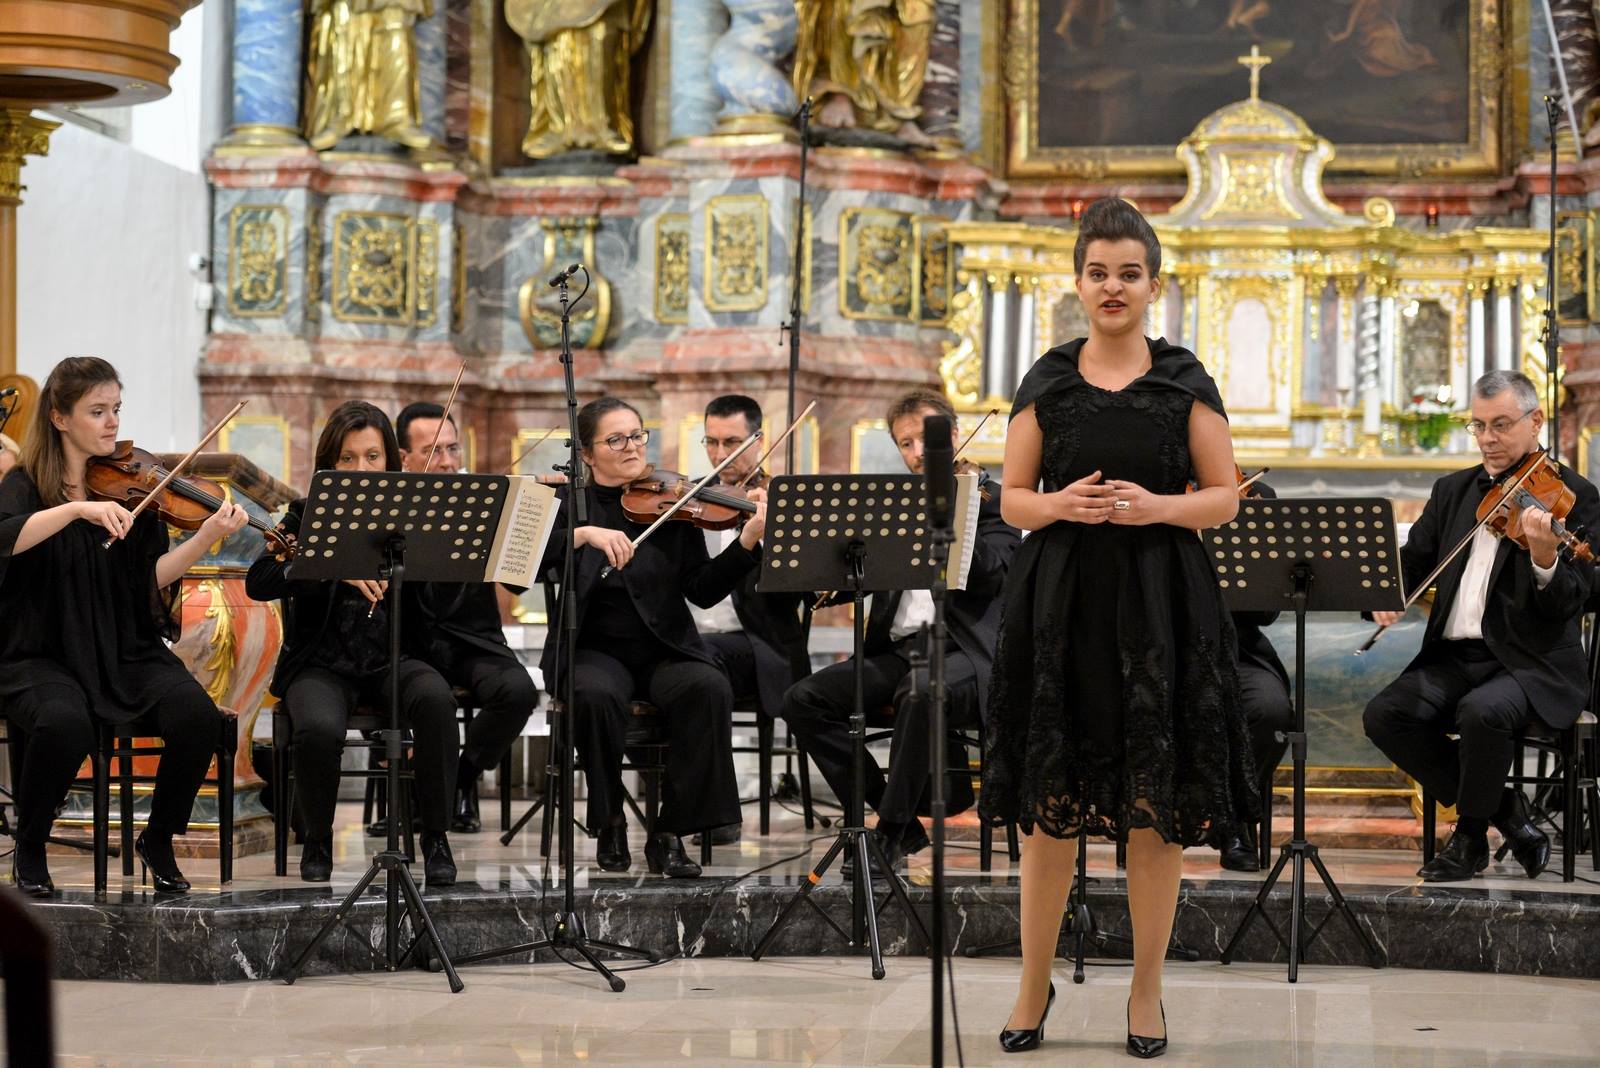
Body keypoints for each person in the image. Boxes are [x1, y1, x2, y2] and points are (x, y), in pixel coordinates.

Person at [981, 198, 1257, 1056]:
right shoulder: (1049, 379)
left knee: (1152, 807)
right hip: (1060, 604)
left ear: (1154, 284)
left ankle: (1146, 991)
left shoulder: (1183, 379)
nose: (1112, 286)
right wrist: (1059, 504)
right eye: (1097, 272)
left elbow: (1225, 495)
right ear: (1077, 282)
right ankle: (1034, 986)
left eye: (1128, 273)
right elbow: (1011, 495)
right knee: (1047, 812)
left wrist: (1157, 509)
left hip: (1160, 602)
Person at [0, 357, 248, 896]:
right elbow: (6, 538)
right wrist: (74, 512)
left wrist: (205, 536)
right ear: (60, 419)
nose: (112, 422)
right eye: (97, 411)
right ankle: (33, 842)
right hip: (42, 652)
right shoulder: (25, 486)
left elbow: (146, 582)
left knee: (196, 717)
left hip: (121, 647)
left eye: (116, 408)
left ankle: (157, 839)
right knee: (63, 723)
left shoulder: (127, 486)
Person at [1363, 370, 1598, 883]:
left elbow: (1580, 598)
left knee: (1481, 713)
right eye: (1478, 426)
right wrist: (1384, 593)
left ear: (1536, 421)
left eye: (1501, 424)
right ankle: (1509, 813)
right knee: (1385, 715)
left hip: (1529, 662)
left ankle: (1469, 838)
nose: (1488, 438)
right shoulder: (1453, 491)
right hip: (1455, 659)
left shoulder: (1575, 496)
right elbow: (1413, 558)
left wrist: (1544, 559)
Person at [782, 388, 1019, 875]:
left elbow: (995, 574)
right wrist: (833, 584)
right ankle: (901, 819)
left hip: (965, 652)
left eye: (925, 442)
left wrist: (953, 516)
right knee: (803, 700)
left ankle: (888, 835)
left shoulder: (993, 501)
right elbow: (873, 571)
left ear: (953, 435)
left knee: (921, 689)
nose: (915, 454)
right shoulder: (895, 502)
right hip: (899, 649)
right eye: (905, 444)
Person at [539, 397, 764, 878]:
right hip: (591, 649)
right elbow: (525, 566)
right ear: (585, 454)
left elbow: (701, 591)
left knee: (708, 687)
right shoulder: (566, 504)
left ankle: (670, 832)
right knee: (594, 695)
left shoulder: (675, 500)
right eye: (615, 439)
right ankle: (610, 821)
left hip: (665, 648)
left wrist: (747, 543)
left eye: (638, 435)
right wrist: (581, 536)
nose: (632, 447)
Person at [246, 401, 460, 885]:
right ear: (329, 462)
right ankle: (317, 839)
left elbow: (434, 604)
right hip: (320, 664)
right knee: (319, 728)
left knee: (436, 703)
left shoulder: (412, 517)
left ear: (391, 461)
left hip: (393, 659)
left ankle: (435, 838)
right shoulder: (304, 516)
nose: (361, 469)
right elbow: (259, 580)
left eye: (372, 456)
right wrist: (331, 568)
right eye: (347, 458)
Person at [395, 402, 539, 833]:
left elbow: (515, 586)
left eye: (453, 450)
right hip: (412, 643)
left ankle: (462, 777)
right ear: (404, 459)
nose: (447, 462)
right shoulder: (388, 502)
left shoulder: (482, 499)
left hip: (475, 641)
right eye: (433, 451)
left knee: (518, 692)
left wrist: (512, 532)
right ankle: (407, 790)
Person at [691, 394, 812, 845]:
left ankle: (715, 809)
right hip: (697, 641)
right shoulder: (692, 498)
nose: (721, 455)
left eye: (733, 443)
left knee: (701, 661)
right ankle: (674, 800)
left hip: (758, 646)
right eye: (712, 442)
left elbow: (805, 592)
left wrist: (770, 535)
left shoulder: (782, 502)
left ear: (759, 442)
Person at [1214, 477, 1293, 873]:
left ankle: (1232, 817)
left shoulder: (1254, 496)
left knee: (1273, 713)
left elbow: (1266, 612)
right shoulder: (1147, 487)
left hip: (1236, 647)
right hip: (1163, 647)